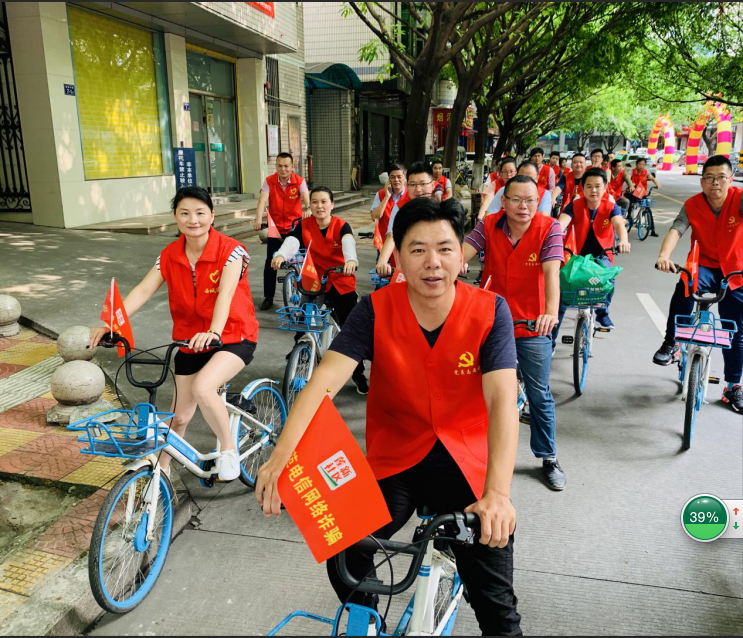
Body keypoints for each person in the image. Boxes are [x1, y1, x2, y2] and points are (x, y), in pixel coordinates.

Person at [256, 197, 522, 636]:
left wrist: (497, 493)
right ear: (397, 256)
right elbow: (324, 381)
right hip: (398, 459)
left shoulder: (491, 311)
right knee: (345, 544)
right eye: (418, 249)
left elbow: (501, 402)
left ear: (462, 256)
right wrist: (280, 456)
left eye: (445, 248)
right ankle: (368, 619)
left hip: (468, 463)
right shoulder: (375, 309)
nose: (432, 262)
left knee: (497, 608)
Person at [89, 186, 259, 481]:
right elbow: (143, 290)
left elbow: (226, 294)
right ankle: (161, 472)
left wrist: (213, 331)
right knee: (178, 417)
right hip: (190, 341)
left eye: (200, 213)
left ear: (212, 216)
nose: (193, 220)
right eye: (185, 213)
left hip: (233, 336)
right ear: (176, 217)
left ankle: (228, 450)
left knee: (203, 388)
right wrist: (111, 324)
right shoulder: (169, 255)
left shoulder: (231, 251)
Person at [463, 175, 566, 490]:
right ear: (504, 201)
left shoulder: (550, 228)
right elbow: (461, 253)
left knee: (538, 393)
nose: (524, 206)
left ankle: (548, 457)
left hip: (532, 322)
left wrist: (550, 313)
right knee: (472, 386)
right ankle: (468, 452)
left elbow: (551, 272)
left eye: (531, 200)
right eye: (517, 200)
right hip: (491, 319)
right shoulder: (488, 225)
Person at [653, 155, 743, 413]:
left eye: (721, 177)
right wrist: (663, 256)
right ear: (701, 181)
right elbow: (676, 230)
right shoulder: (692, 205)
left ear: (730, 179)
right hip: (704, 265)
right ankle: (671, 342)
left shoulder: (740, 199)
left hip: (735, 270)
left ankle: (732, 387)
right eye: (709, 178)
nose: (715, 183)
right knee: (685, 285)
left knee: (736, 330)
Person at [271, 187, 368, 394]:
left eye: (324, 201)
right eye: (314, 202)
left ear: (332, 205)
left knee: (350, 328)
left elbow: (348, 242)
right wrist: (281, 255)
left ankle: (358, 373)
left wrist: (351, 260)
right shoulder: (304, 225)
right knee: (303, 316)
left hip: (341, 280)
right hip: (315, 280)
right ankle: (301, 350)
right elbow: (292, 241)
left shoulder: (341, 225)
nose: (319, 206)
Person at [555, 167, 631, 332]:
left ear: (605, 187)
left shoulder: (611, 206)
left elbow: (619, 224)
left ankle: (602, 313)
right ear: (583, 188)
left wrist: (623, 240)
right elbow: (561, 224)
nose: (593, 190)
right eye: (589, 186)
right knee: (562, 287)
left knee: (609, 279)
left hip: (602, 254)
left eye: (597, 186)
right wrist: (552, 236)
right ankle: (551, 340)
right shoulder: (574, 205)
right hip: (576, 255)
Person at [254, 153, 311, 311]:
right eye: (280, 166)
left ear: (292, 166)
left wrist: (308, 208)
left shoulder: (299, 181)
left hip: (295, 228)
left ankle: (308, 293)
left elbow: (306, 196)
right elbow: (262, 200)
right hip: (276, 228)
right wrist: (258, 220)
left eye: (286, 166)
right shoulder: (269, 181)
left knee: (303, 260)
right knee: (270, 262)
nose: (283, 169)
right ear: (276, 166)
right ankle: (268, 297)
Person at [375, 161, 435, 275]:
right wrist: (382, 261)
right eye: (412, 184)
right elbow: (392, 235)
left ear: (432, 185)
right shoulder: (399, 207)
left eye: (423, 184)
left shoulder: (441, 207)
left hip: (434, 266)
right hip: (406, 266)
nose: (418, 190)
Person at [370, 163, 407, 244]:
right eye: (392, 177)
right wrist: (386, 197)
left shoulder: (410, 194)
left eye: (399, 177)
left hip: (405, 242)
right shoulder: (380, 194)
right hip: (384, 242)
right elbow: (375, 217)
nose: (396, 180)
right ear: (389, 179)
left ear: (405, 178)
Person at [626, 157, 662, 237]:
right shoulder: (631, 171)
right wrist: (631, 184)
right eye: (640, 164)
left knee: (648, 209)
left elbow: (652, 178)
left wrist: (657, 184)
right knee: (629, 202)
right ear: (636, 164)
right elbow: (628, 178)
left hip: (642, 193)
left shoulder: (646, 171)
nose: (641, 166)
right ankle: (629, 216)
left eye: (643, 164)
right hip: (632, 192)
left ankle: (652, 230)